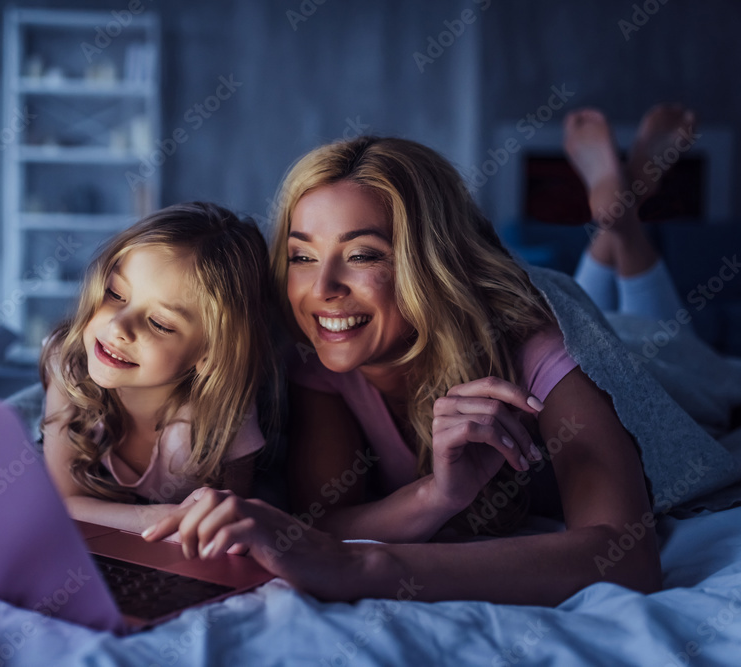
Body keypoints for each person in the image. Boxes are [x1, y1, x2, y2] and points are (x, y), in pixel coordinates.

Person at [142, 135, 664, 605]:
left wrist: (365, 566)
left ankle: (622, 224)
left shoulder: (537, 349)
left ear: (430, 262)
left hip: (659, 360)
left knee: (656, 333)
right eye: (302, 257)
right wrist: (437, 496)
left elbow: (626, 557)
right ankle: (613, 224)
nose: (322, 288)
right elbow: (324, 517)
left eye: (363, 255)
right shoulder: (322, 354)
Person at [40, 202, 276, 535]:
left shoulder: (226, 412)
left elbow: (226, 526)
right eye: (114, 293)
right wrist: (159, 519)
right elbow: (62, 503)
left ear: (210, 354)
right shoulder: (69, 366)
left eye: (160, 323)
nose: (120, 326)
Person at [566, 104, 697, 326]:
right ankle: (629, 198)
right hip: (652, 356)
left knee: (575, 333)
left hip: (582, 354)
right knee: (573, 333)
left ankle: (625, 202)